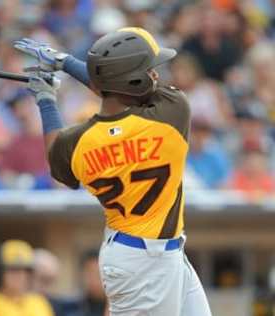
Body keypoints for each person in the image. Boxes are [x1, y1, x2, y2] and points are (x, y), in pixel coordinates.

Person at [15, 27, 212, 315]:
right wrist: (67, 62)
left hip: (144, 253)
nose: (155, 75)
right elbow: (125, 88)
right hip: (144, 266)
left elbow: (57, 159)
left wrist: (45, 100)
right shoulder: (171, 112)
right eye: (150, 70)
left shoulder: (78, 141)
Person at [0, 240, 54, 316]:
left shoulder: (40, 302)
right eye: (12, 270)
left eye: (21, 270)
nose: (17, 276)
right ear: (1, 273)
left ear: (28, 274)